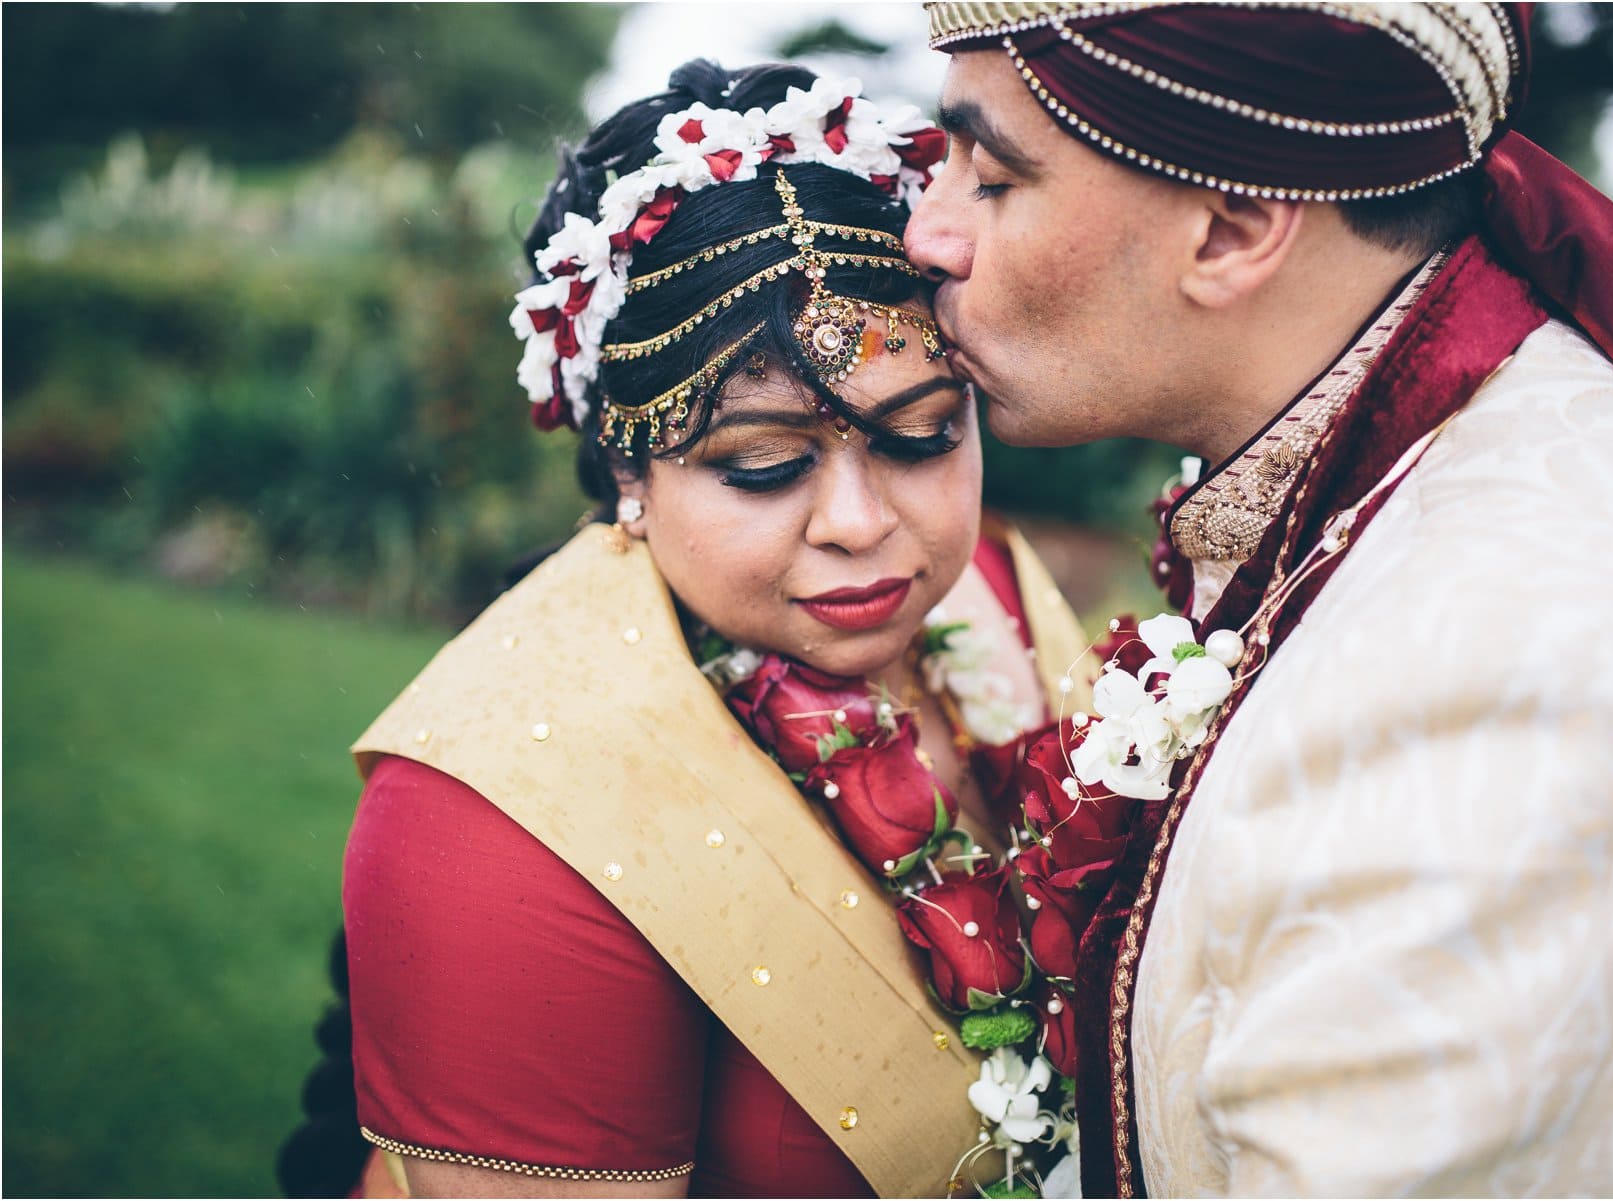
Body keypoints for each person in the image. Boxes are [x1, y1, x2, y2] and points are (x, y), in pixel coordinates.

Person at [907, 3, 1613, 1197]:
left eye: (994, 176)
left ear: (1230, 230)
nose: (927, 232)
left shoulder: (1522, 682)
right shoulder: (1375, 471)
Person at [334, 60, 1098, 1199]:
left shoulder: (992, 589)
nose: (859, 523)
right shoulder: (495, 812)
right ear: (627, 468)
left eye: (923, 435)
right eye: (763, 464)